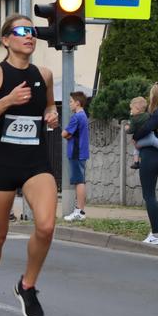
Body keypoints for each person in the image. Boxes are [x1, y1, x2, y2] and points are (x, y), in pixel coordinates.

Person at [0, 14, 59, 316]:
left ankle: (27, 285)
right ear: (6, 39)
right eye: (22, 31)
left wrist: (51, 115)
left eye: (33, 32)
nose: (30, 36)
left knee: (47, 226)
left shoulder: (44, 74)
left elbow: (49, 106)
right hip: (2, 164)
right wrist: (8, 100)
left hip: (36, 163)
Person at [131, 82, 158, 246]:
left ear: (155, 96)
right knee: (151, 195)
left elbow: (145, 129)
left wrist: (135, 136)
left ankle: (156, 234)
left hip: (150, 155)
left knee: (148, 196)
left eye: (151, 94)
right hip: (156, 155)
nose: (149, 97)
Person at [62, 91, 90, 222]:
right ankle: (79, 210)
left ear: (78, 103)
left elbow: (65, 134)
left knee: (79, 181)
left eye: (71, 102)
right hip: (81, 152)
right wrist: (68, 134)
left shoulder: (76, 117)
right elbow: (69, 134)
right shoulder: (84, 115)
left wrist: (67, 134)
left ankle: (79, 211)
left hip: (76, 152)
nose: (69, 104)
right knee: (80, 180)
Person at [127, 96, 158, 173]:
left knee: (136, 148)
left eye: (132, 108)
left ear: (137, 109)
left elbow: (131, 130)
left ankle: (136, 163)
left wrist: (128, 130)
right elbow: (149, 127)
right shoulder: (148, 115)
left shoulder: (133, 119)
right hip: (151, 139)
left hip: (140, 142)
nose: (131, 110)